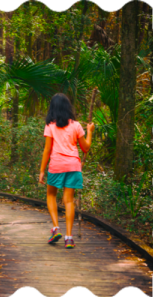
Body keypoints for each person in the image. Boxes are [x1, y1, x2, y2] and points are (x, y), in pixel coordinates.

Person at [39, 93, 95, 249]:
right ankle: (69, 238)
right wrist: (90, 131)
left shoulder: (50, 125)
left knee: (51, 195)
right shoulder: (76, 126)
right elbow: (86, 148)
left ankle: (56, 228)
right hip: (73, 166)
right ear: (68, 107)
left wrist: (42, 170)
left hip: (56, 165)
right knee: (68, 200)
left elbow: (47, 150)